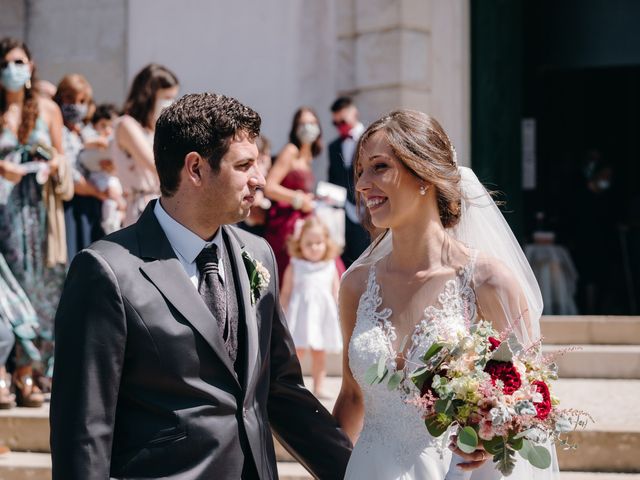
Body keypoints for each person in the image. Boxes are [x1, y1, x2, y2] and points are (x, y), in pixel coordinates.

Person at [50, 92, 352, 480]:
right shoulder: (106, 270)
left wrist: (359, 470)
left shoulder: (257, 254)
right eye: (244, 165)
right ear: (195, 168)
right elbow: (84, 433)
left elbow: (280, 391)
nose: (260, 180)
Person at [333, 110, 557, 479]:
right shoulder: (355, 285)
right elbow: (352, 397)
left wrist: (497, 435)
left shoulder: (488, 282)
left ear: (424, 174)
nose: (362, 184)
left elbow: (527, 401)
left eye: (379, 167)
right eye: (360, 171)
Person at [0, 37, 71, 404]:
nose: (12, 70)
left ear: (30, 67)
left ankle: (34, 372)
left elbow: (63, 156)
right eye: (5, 64)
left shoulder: (47, 109)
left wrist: (52, 164)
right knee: (10, 291)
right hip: (5, 215)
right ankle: (8, 371)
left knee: (45, 291)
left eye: (18, 62)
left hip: (41, 214)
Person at [280, 215, 342, 397]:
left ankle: (319, 386)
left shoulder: (329, 265)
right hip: (301, 315)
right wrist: (280, 313)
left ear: (326, 243)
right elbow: (285, 292)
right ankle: (294, 384)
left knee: (319, 353)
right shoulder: (295, 265)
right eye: (309, 244)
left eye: (318, 243)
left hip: (322, 315)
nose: (314, 248)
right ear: (300, 244)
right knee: (296, 352)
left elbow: (336, 292)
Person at [110, 63, 178, 226]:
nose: (171, 103)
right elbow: (156, 165)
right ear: (149, 96)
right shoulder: (126, 125)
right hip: (143, 206)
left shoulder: (155, 128)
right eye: (166, 97)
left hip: (166, 203)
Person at [264, 107, 321, 280]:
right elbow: (270, 187)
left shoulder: (309, 156)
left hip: (304, 222)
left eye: (311, 123)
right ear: (295, 128)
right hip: (285, 224)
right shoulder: (290, 150)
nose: (307, 127)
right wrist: (297, 199)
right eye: (302, 124)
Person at [54, 73, 107, 259]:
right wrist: (96, 191)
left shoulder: (86, 131)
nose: (76, 105)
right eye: (70, 98)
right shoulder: (58, 131)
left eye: (82, 100)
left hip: (92, 204)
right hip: (71, 203)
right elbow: (69, 175)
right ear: (60, 98)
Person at [328, 96, 370, 267]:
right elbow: (333, 178)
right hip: (343, 212)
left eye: (343, 121)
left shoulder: (371, 139)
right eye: (335, 123)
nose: (340, 127)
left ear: (355, 113)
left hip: (368, 209)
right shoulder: (333, 146)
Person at [80, 103, 125, 234]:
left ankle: (116, 219)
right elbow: (86, 145)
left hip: (109, 176)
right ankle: (110, 224)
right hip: (97, 178)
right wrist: (98, 142)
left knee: (114, 196)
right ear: (95, 126)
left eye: (111, 126)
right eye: (103, 125)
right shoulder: (93, 138)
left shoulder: (116, 143)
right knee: (111, 195)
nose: (108, 130)